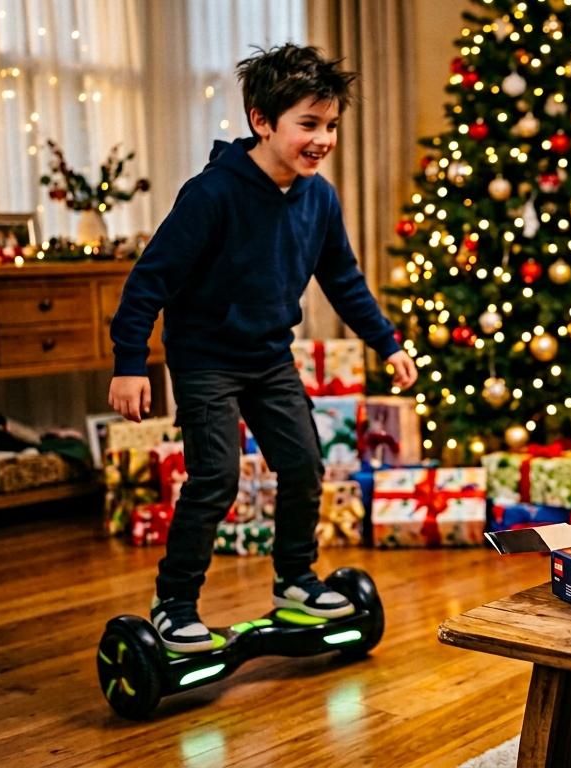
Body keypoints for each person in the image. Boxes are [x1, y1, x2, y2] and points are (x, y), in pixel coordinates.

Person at [108, 44, 418, 652]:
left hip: (271, 358)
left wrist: (386, 342)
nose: (323, 139)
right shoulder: (212, 195)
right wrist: (128, 364)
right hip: (204, 361)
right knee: (215, 478)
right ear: (261, 121)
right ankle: (174, 603)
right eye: (308, 124)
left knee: (304, 465)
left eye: (330, 125)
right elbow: (150, 279)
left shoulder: (318, 198)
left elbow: (344, 280)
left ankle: (295, 581)